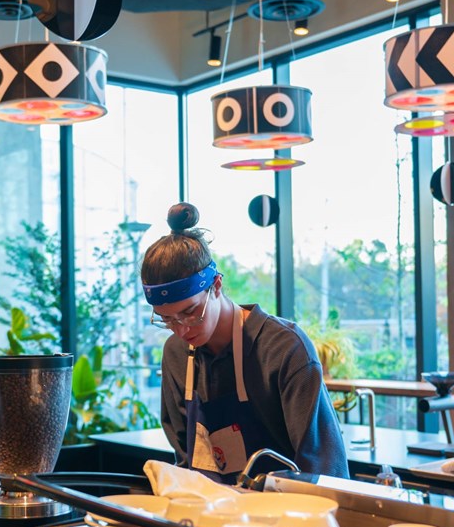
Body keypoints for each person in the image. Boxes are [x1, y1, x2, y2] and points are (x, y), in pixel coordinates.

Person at [141, 202, 348, 483]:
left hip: (285, 515)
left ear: (216, 285)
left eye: (190, 312)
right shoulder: (177, 352)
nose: (180, 329)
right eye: (167, 319)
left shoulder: (284, 349)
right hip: (208, 513)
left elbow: (324, 468)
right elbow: (185, 458)